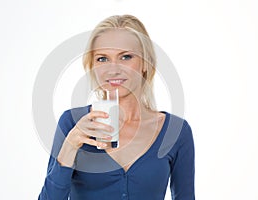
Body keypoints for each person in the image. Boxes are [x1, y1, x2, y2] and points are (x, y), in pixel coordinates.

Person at [38, 14, 195, 200]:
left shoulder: (175, 131)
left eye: (126, 57)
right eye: (102, 59)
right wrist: (70, 146)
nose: (113, 69)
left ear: (145, 63)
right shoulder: (72, 123)